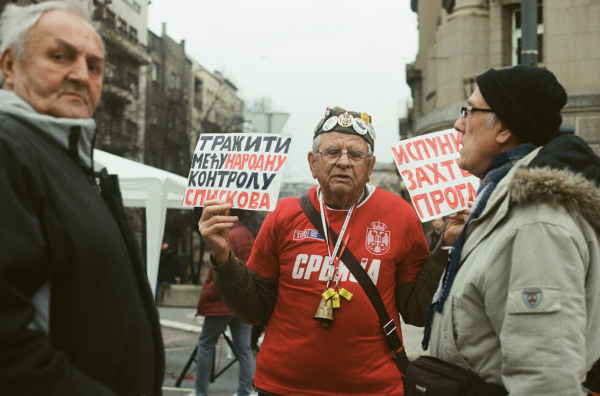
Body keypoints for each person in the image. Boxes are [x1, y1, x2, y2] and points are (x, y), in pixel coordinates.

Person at [198, 106, 466, 395]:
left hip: (373, 388)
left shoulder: (401, 216)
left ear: (370, 166)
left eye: (355, 154)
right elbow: (252, 310)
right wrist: (223, 256)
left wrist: (446, 245)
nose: (343, 162)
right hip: (282, 386)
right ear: (313, 163)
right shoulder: (283, 215)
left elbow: (416, 312)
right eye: (332, 152)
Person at [0, 2, 164, 395]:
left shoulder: (65, 161)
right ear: (9, 66)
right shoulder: (9, 150)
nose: (80, 75)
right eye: (60, 57)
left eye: (94, 66)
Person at [421, 66, 600, 395]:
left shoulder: (537, 220)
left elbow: (545, 376)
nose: (459, 124)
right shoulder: (506, 201)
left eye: (469, 110)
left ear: (502, 127)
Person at [195, 209, 255, 396]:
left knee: (205, 345)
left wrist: (207, 295)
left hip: (223, 302)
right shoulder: (247, 234)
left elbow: (224, 271)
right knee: (244, 350)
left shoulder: (228, 236)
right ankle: (245, 391)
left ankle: (201, 392)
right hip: (243, 302)